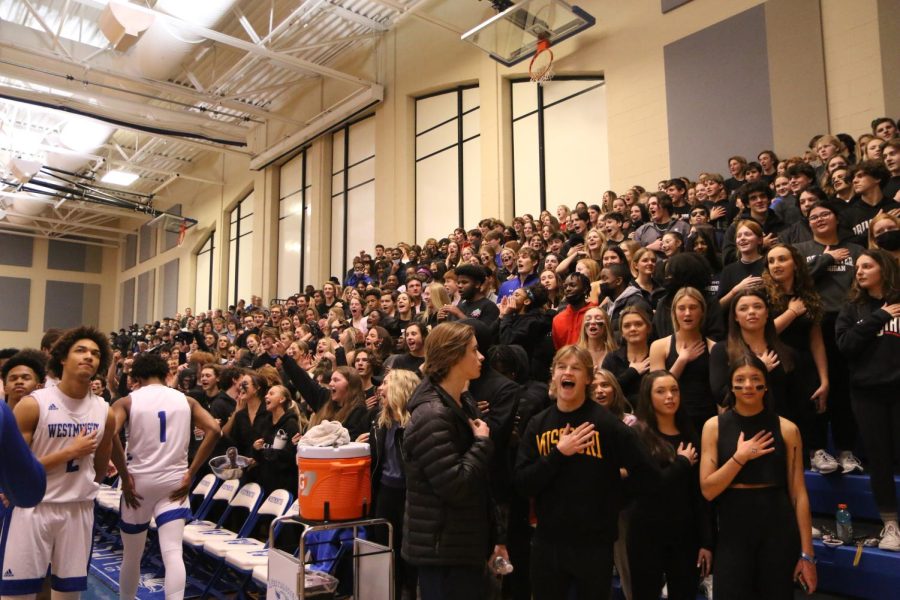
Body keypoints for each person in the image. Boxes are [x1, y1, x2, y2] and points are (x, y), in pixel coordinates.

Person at [514, 345, 659, 599]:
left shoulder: (607, 424)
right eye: (562, 367)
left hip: (594, 543)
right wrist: (558, 454)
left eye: (576, 368)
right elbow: (523, 483)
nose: (567, 372)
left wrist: (613, 498)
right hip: (548, 542)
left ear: (588, 378)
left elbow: (649, 475)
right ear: (553, 375)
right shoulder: (538, 423)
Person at [2, 326, 117, 598]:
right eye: (81, 350)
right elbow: (15, 467)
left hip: (77, 510)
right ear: (63, 358)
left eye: (95, 353)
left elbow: (99, 469)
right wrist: (69, 453)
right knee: (16, 595)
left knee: (68, 595)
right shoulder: (33, 405)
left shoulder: (105, 411)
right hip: (33, 508)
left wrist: (81, 488)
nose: (89, 356)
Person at [700, 356, 817, 599]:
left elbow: (798, 494)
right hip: (733, 530)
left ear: (766, 385)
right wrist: (740, 457)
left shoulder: (787, 428)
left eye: (755, 379)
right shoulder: (713, 427)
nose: (748, 385)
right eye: (740, 380)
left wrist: (807, 554)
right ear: (731, 386)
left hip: (777, 528)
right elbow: (708, 489)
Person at [109, 354, 222, 600]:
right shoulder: (187, 400)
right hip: (175, 481)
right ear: (166, 373)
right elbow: (214, 429)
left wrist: (124, 474)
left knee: (131, 556)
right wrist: (191, 471)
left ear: (135, 377)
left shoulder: (127, 402)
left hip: (138, 482)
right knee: (173, 553)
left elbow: (109, 435)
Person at [401, 322, 497, 600]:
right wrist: (481, 444)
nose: (481, 357)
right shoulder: (433, 415)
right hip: (442, 552)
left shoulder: (459, 402)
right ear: (454, 356)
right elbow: (455, 485)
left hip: (459, 545)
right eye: (474, 350)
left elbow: (480, 482)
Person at [835, 249, 900, 551]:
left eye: (867, 266)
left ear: (883, 269)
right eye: (857, 267)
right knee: (880, 460)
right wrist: (880, 317)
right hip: (867, 394)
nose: (859, 272)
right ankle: (890, 525)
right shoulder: (852, 308)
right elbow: (846, 345)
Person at [628, 371, 712, 600]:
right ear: (648, 396)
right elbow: (647, 486)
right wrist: (682, 463)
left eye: (674, 390)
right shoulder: (636, 435)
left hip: (685, 532)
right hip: (645, 531)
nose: (670, 396)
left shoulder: (690, 432)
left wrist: (706, 541)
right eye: (661, 391)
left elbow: (698, 492)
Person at [763, 244, 830, 470]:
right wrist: (792, 313)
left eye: (782, 259)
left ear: (795, 263)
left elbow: (816, 340)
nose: (776, 265)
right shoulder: (763, 295)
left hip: (805, 364)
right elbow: (762, 332)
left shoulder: (807, 296)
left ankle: (814, 452)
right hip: (775, 363)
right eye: (771, 261)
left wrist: (825, 379)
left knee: (810, 415)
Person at [360, 369, 421, 599]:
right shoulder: (378, 419)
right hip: (384, 493)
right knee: (385, 553)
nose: (380, 388)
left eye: (385, 384)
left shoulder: (417, 421)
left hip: (410, 496)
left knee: (409, 560)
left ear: (400, 388)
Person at [649, 287, 716, 435]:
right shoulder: (659, 346)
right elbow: (656, 388)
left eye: (693, 308)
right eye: (682, 308)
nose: (687, 313)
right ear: (674, 312)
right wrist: (682, 360)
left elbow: (718, 392)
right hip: (671, 419)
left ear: (702, 311)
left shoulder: (713, 348)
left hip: (705, 419)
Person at [250, 385, 301, 497]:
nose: (266, 396)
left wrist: (267, 452)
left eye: (271, 394)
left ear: (281, 399)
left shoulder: (290, 424)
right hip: (265, 481)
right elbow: (259, 455)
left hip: (282, 484)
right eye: (267, 393)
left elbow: (290, 457)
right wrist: (255, 448)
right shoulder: (265, 422)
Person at [602, 306, 652, 406]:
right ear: (622, 333)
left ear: (648, 328)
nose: (633, 329)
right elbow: (605, 391)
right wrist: (631, 373)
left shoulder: (657, 355)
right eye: (627, 326)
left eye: (638, 324)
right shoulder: (612, 359)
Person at [551, 272, 597, 349]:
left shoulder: (596, 313)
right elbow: (559, 350)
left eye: (572, 285)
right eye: (565, 287)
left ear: (585, 289)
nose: (567, 289)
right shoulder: (558, 319)